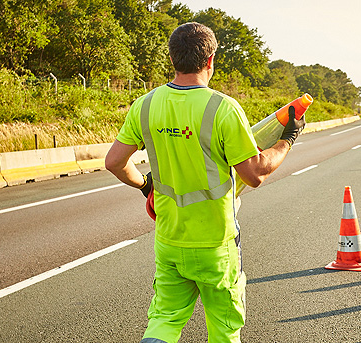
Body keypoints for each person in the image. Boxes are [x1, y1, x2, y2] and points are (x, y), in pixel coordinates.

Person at [105, 22, 305, 343]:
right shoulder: (222, 108)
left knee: (164, 321)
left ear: (172, 59)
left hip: (169, 241)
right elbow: (254, 174)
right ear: (211, 59)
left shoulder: (145, 105)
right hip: (216, 245)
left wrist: (146, 185)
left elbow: (114, 162)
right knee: (224, 329)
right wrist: (288, 140)